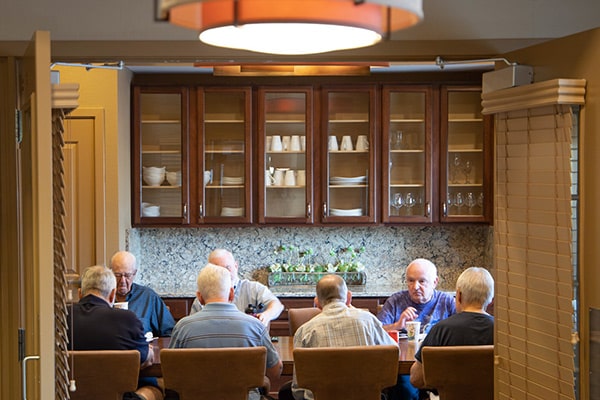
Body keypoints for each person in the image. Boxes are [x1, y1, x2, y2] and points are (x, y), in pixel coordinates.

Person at [169, 263, 282, 400]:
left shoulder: (182, 327)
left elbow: (172, 374)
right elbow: (275, 371)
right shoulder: (255, 326)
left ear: (199, 297)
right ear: (231, 293)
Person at [279, 274, 397, 400]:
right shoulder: (368, 320)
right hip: (367, 396)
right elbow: (394, 353)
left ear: (317, 303)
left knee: (286, 392)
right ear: (348, 298)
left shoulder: (304, 331)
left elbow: (298, 389)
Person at [67, 265, 163, 400]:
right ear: (113, 294)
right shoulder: (126, 319)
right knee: (155, 388)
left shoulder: (62, 318)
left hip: (70, 395)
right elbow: (147, 358)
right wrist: (149, 350)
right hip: (120, 397)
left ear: (80, 293)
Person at [377, 258, 456, 400]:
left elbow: (458, 330)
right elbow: (376, 332)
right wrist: (397, 325)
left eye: (422, 281)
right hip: (404, 366)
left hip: (438, 363)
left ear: (435, 282)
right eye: (411, 281)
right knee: (405, 389)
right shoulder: (395, 301)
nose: (415, 286)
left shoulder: (447, 301)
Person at [409, 267, 494, 391]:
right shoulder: (503, 331)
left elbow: (416, 378)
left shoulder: (441, 330)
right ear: (491, 299)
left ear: (458, 296)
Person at [189, 249, 284, 326]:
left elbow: (277, 305)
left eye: (227, 268)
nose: (224, 273)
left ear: (236, 266)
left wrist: (266, 315)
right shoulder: (203, 295)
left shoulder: (254, 288)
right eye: (218, 270)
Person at [110, 250, 175, 337]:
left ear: (134, 273)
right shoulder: (103, 295)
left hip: (142, 349)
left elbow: (169, 332)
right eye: (117, 275)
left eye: (127, 275)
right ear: (110, 273)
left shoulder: (148, 297)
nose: (122, 281)